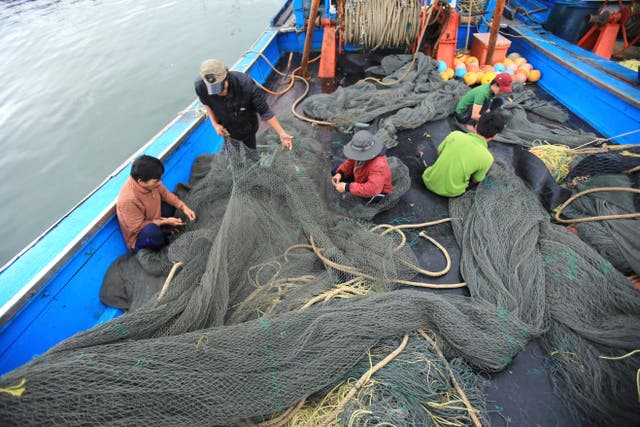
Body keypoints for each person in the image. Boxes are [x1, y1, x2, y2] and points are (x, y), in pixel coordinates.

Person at [194, 58, 293, 151]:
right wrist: (215, 125)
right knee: (234, 156)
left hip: (247, 125)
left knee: (251, 150)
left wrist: (282, 133)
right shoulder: (200, 86)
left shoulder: (246, 84)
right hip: (227, 129)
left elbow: (265, 112)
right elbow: (206, 103)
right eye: (214, 90)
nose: (220, 93)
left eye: (222, 88)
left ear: (227, 75)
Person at [116, 155, 196, 252]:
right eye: (156, 181)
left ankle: (164, 230)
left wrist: (184, 207)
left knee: (174, 197)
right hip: (141, 236)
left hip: (154, 218)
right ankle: (164, 239)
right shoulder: (128, 200)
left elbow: (166, 194)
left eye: (160, 179)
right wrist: (165, 221)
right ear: (140, 182)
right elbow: (137, 228)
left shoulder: (153, 182)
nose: (160, 183)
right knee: (152, 232)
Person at [421, 111, 505, 197]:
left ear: (476, 125)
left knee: (426, 153)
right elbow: (476, 180)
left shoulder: (455, 135)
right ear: (494, 136)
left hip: (428, 180)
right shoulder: (488, 158)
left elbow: (439, 153)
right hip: (452, 192)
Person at [332, 130, 393, 204]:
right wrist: (340, 174)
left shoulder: (378, 165)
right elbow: (350, 162)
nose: (356, 155)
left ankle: (358, 193)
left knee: (365, 198)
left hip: (377, 190)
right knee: (335, 171)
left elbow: (372, 189)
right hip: (360, 174)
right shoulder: (356, 155)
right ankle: (354, 186)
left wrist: (347, 187)